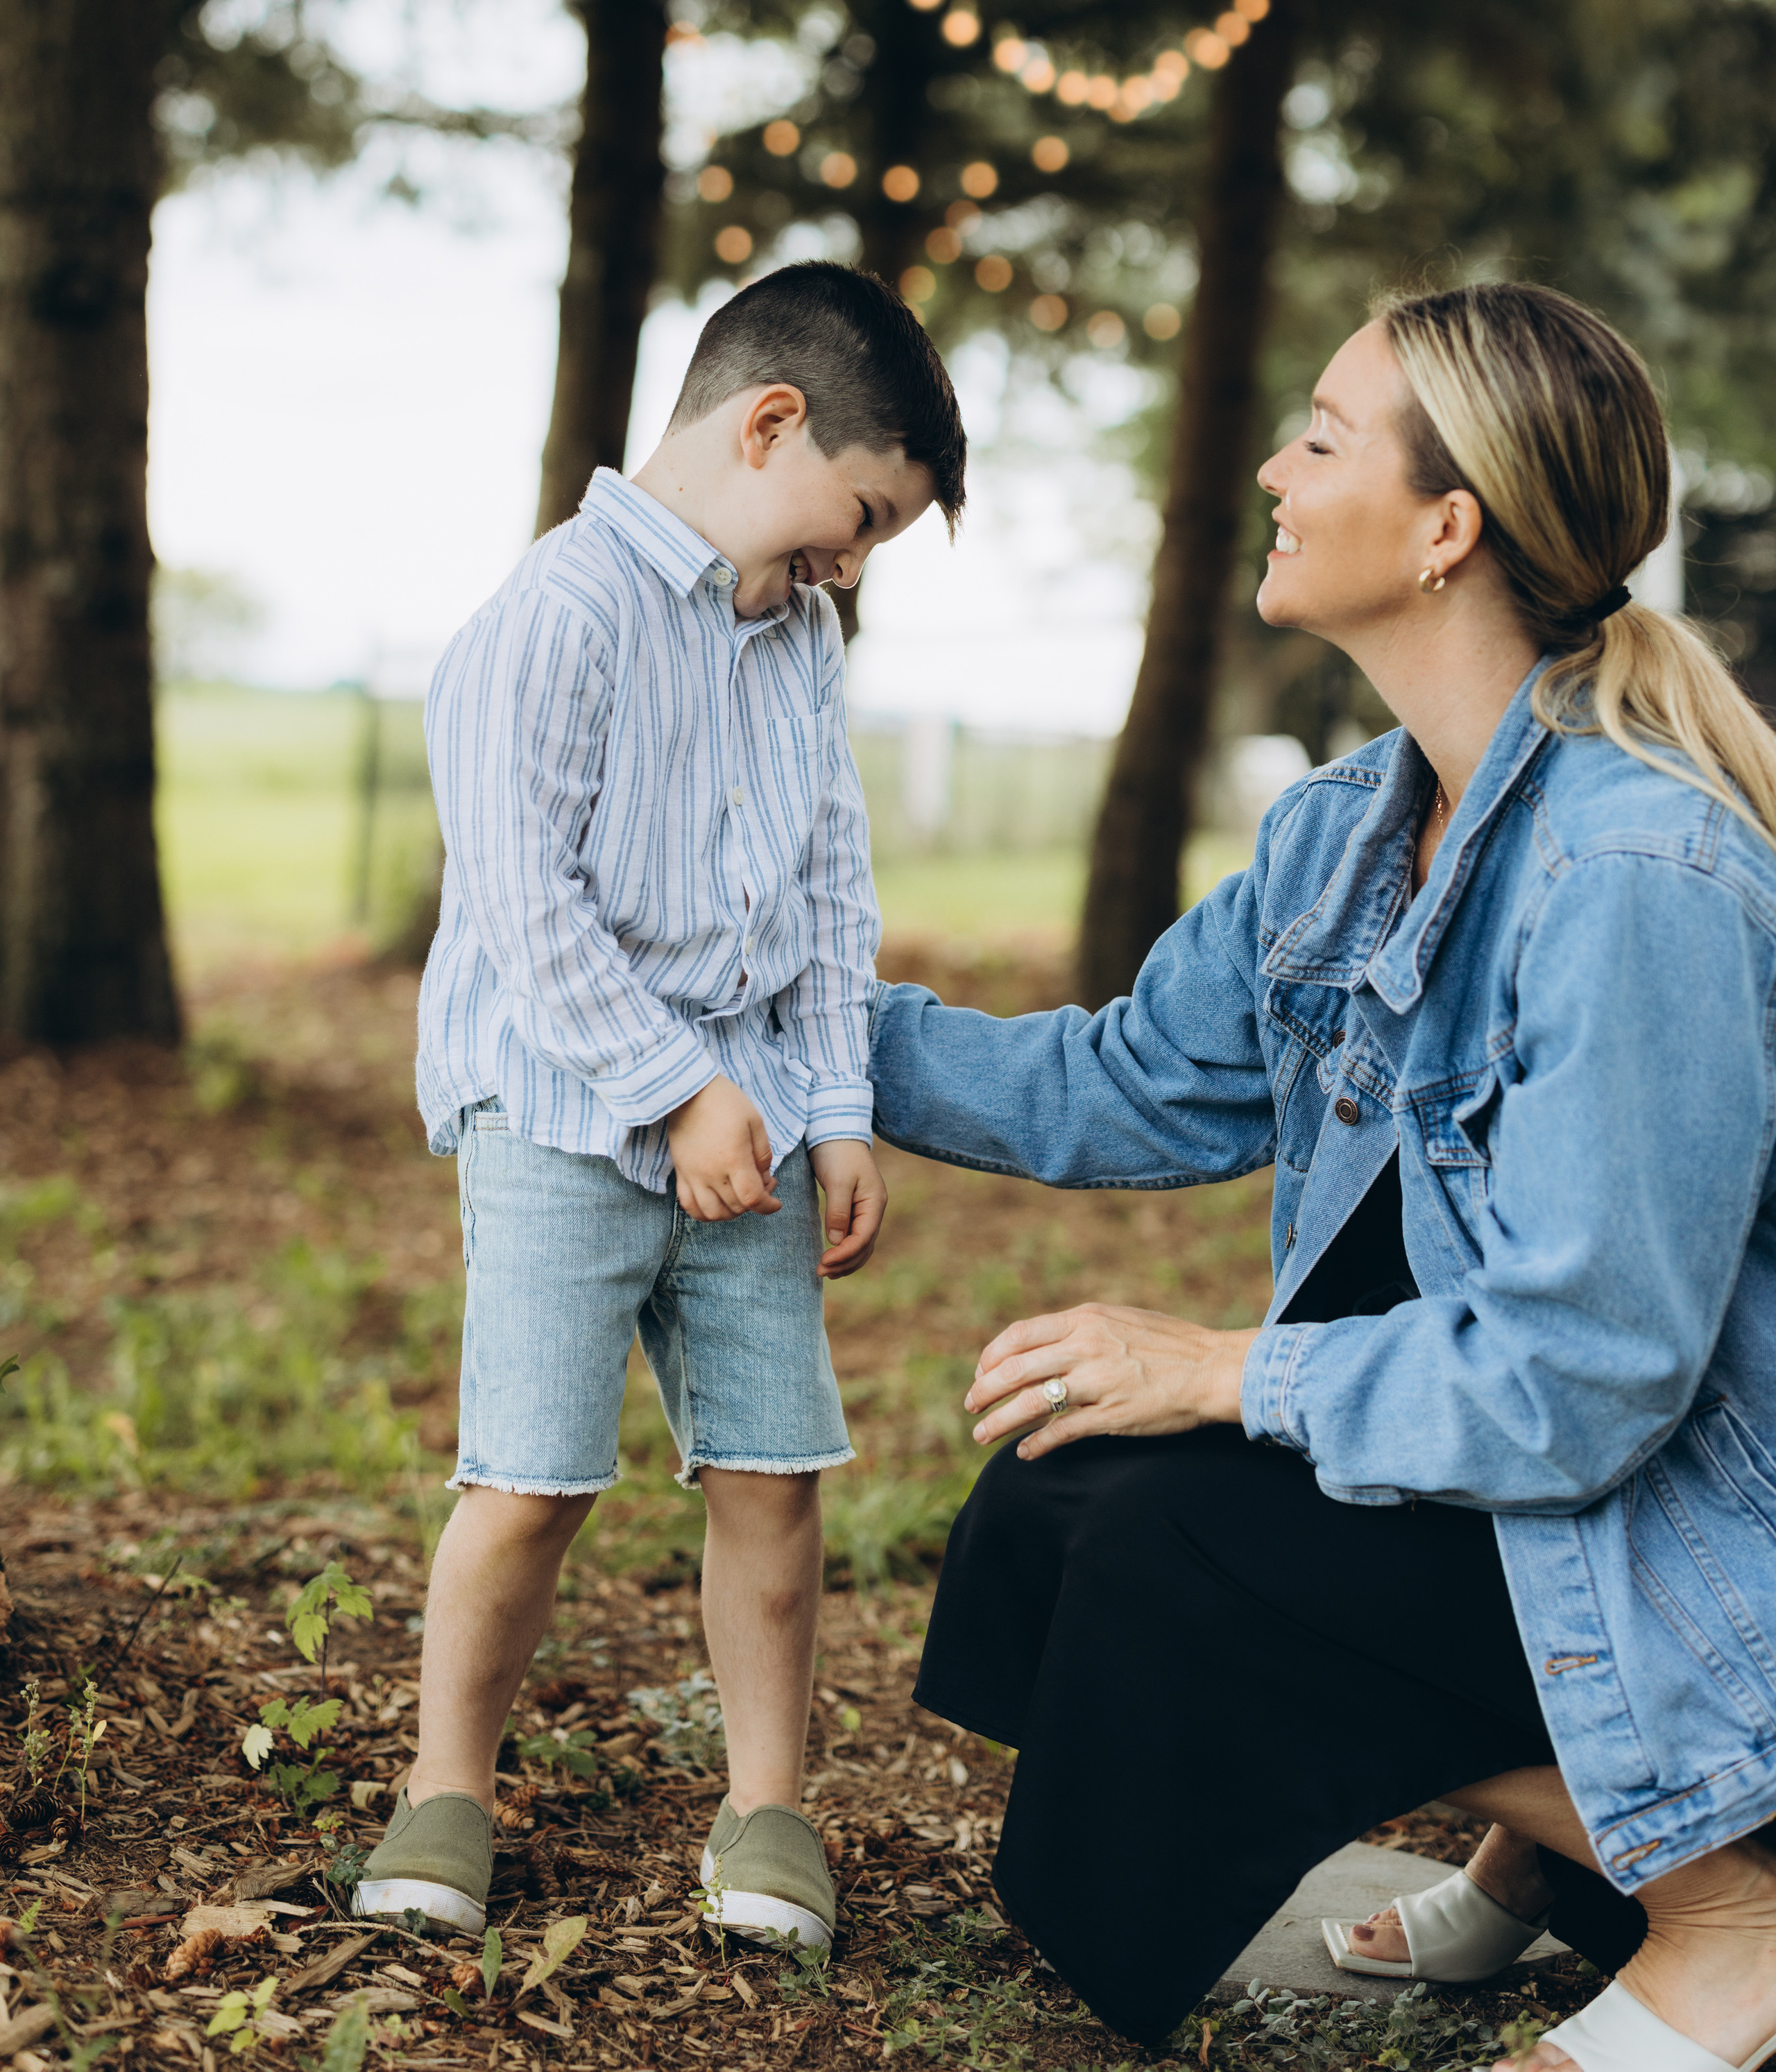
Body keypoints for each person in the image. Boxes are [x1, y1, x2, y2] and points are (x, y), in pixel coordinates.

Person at [869, 283, 1776, 2072]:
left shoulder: (1634, 875)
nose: (1273, 472)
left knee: (1177, 1546)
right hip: (1536, 1471)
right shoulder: (1350, 824)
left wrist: (1224, 1370)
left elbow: (1588, 1374)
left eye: (1320, 437)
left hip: (1688, 1531)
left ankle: (1722, 1906)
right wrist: (804, 1039)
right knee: (1064, 1495)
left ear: (1445, 531)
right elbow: (1125, 1080)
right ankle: (1545, 1855)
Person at [356, 263, 966, 1953]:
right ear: (769, 424)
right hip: (564, 1114)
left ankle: (766, 1810)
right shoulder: (554, 616)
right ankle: (445, 1786)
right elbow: (522, 904)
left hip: (750, 1123)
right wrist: (675, 1090)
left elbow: (829, 888)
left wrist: (830, 1109)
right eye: (859, 517)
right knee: (531, 1480)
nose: (850, 563)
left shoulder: (801, 640)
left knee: (773, 1473)